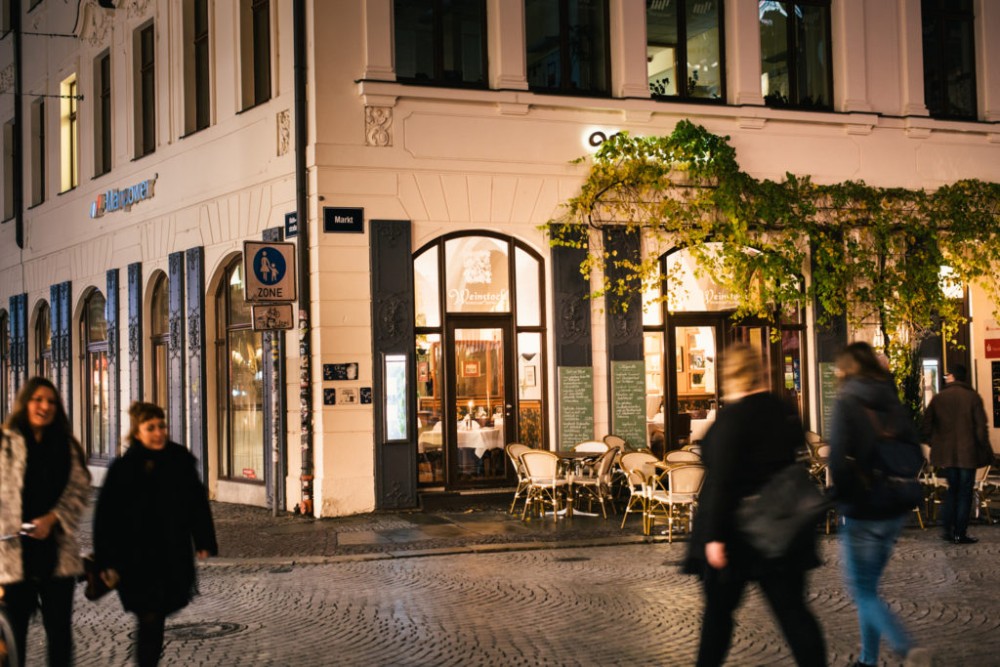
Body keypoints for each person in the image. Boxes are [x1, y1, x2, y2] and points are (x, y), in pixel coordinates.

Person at [683, 345, 826, 667]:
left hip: (737, 533)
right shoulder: (784, 410)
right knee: (794, 614)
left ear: (730, 374)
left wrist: (714, 537)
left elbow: (722, 481)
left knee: (718, 617)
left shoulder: (734, 417)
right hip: (784, 527)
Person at [828, 342, 931, 667]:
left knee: (863, 592)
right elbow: (914, 450)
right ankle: (867, 659)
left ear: (847, 368)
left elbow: (837, 460)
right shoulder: (890, 399)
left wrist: (842, 498)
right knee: (869, 589)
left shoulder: (846, 401)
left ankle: (907, 648)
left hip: (863, 507)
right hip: (894, 507)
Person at [94, 402, 218, 667]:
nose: (158, 432)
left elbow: (197, 503)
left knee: (155, 616)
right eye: (150, 428)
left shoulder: (179, 460)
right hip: (134, 559)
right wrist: (105, 560)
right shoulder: (124, 468)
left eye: (161, 426)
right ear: (137, 432)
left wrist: (204, 540)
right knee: (149, 616)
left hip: (170, 555)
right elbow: (105, 517)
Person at [0, 376, 91, 666]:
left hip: (56, 554)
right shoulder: (6, 443)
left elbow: (79, 490)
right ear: (25, 403)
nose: (45, 406)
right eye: (38, 400)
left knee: (60, 634)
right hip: (14, 555)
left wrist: (53, 519)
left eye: (51, 401)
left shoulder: (65, 445)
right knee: (14, 635)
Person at [922, 363, 989, 544]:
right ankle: (960, 532)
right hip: (968, 454)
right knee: (965, 492)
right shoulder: (972, 397)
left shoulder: (939, 398)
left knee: (952, 491)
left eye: (948, 375)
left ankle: (947, 529)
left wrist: (935, 444)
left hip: (947, 455)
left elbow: (926, 426)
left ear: (954, 377)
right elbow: (981, 428)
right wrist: (983, 448)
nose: (945, 378)